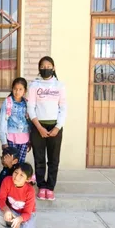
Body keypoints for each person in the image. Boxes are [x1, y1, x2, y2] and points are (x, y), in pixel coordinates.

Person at [27, 56, 67, 201]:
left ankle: (50, 187)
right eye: (43, 67)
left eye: (48, 66)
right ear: (39, 68)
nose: (46, 69)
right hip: (38, 126)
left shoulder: (60, 86)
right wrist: (38, 127)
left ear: (54, 67)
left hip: (55, 127)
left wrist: (58, 127)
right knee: (39, 159)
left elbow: (63, 108)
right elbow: (30, 107)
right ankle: (41, 186)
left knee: (53, 159)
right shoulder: (34, 86)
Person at [0, 163, 36, 228]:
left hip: (26, 216)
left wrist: (19, 219)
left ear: (28, 179)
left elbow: (27, 213)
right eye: (16, 172)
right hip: (12, 211)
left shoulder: (30, 191)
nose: (16, 177)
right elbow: (0, 199)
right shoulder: (7, 180)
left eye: (21, 175)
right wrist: (6, 209)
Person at [0, 77, 30, 164]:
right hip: (11, 138)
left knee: (21, 164)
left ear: (25, 90)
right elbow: (2, 122)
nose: (17, 91)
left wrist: (30, 140)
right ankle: (8, 178)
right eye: (15, 89)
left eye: (20, 89)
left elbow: (29, 122)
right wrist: (4, 142)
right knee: (10, 163)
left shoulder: (27, 103)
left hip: (24, 138)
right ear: (12, 89)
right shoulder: (8, 102)